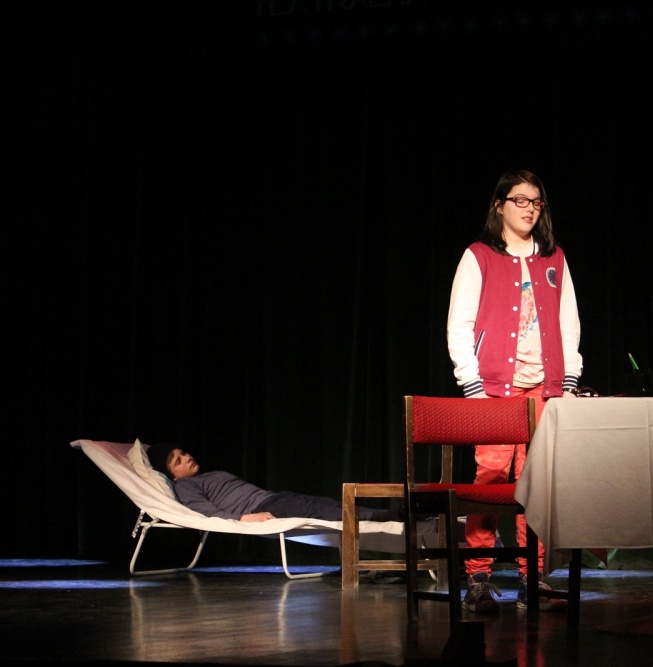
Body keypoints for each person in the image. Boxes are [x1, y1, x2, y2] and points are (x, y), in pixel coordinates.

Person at [446, 169, 583, 614]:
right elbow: (460, 324)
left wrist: (567, 381)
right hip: (494, 391)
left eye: (536, 201)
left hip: (544, 391)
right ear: (500, 205)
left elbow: (568, 323)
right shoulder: (479, 256)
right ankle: (478, 577)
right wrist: (472, 385)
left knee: (538, 485)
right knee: (490, 480)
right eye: (520, 200)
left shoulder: (553, 258)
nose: (529, 208)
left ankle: (533, 577)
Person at [145, 443, 404, 524]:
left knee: (324, 504)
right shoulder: (185, 487)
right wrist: (245, 518)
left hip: (274, 498)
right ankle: (382, 516)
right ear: (173, 475)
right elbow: (205, 512)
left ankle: (379, 515)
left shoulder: (206, 476)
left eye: (183, 453)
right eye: (177, 461)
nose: (186, 458)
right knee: (318, 509)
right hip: (264, 507)